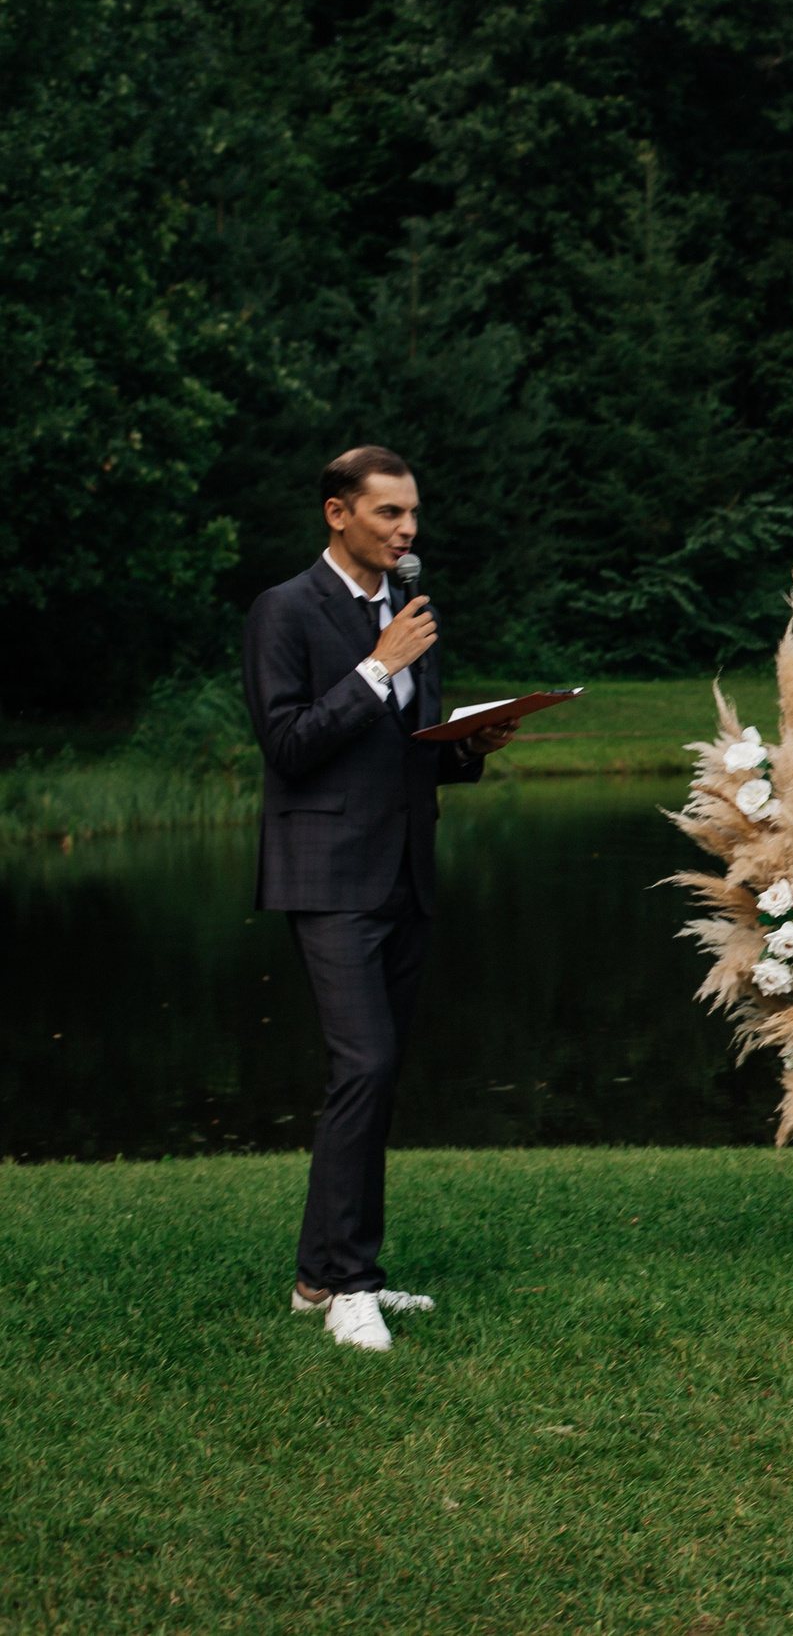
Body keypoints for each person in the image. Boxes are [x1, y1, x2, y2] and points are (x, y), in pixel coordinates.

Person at [242, 446, 518, 1353]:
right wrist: (375, 665)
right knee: (363, 1064)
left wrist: (471, 744)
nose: (407, 530)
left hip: (405, 870)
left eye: (412, 514)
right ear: (338, 513)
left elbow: (410, 752)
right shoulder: (285, 609)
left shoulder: (410, 609)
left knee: (375, 1071)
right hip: (326, 874)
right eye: (389, 512)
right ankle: (352, 1284)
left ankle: (320, 1276)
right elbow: (288, 745)